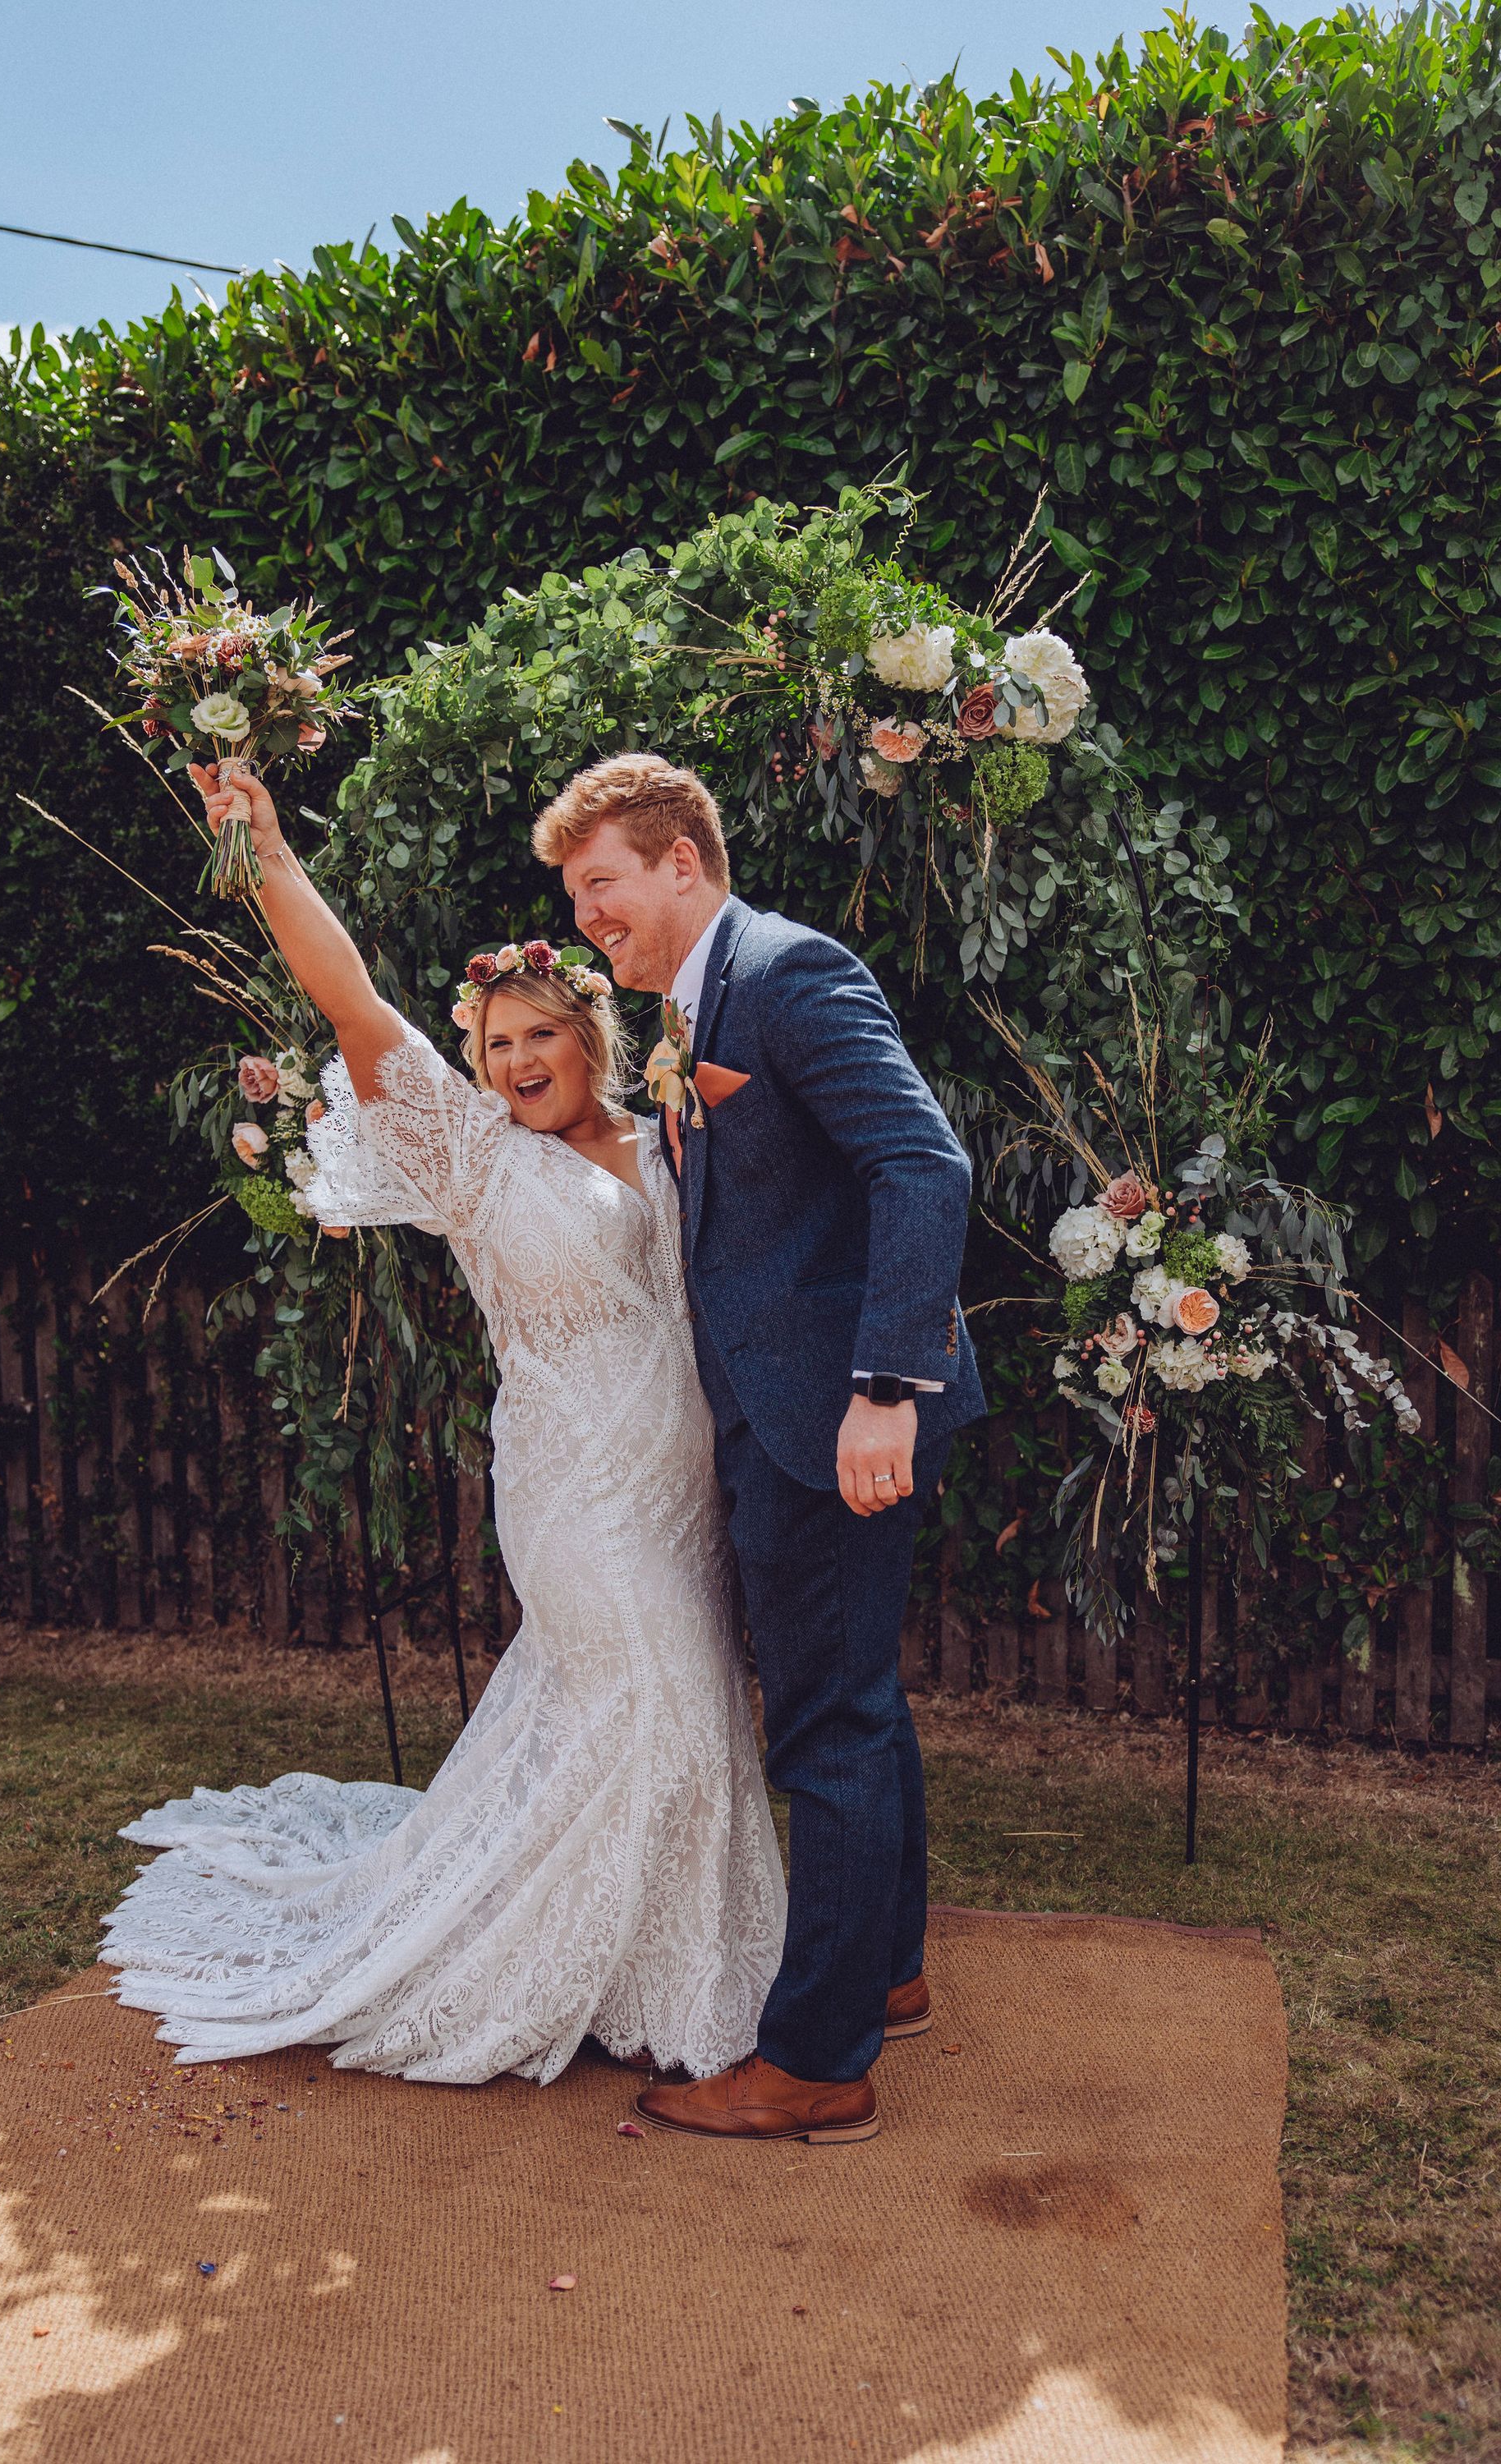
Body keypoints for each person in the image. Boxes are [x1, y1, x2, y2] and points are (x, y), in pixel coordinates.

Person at [99, 763, 787, 2089]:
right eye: (496, 1046)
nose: (517, 1062)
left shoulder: (666, 1140)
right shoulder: (473, 1159)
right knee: (658, 1699)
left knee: (684, 1712)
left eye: (541, 1036)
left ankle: (653, 1970)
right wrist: (271, 852)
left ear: (590, 1036)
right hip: (575, 1490)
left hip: (683, 1487)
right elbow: (350, 999)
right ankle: (519, 1964)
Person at [532, 753, 985, 2145]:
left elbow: (925, 1163)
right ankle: (887, 1970)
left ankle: (815, 2061)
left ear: (683, 860)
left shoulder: (787, 973)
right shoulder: (695, 1003)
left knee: (826, 1723)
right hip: (784, 1420)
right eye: (575, 895)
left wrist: (885, 1389)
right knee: (860, 1700)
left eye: (604, 884)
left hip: (831, 1423)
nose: (591, 915)